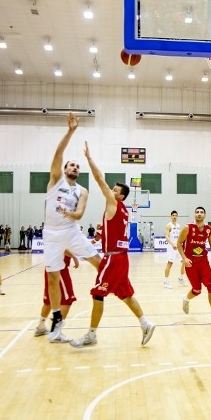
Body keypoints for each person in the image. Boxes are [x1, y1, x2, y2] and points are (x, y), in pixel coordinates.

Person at [70, 142, 156, 348]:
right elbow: (115, 231)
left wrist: (89, 159)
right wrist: (99, 237)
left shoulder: (114, 203)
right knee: (125, 294)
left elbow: (99, 179)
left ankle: (91, 334)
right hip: (121, 258)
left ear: (121, 196)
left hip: (113, 258)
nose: (110, 190)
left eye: (114, 190)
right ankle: (146, 323)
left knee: (98, 293)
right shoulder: (123, 211)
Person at [43, 112, 102, 343]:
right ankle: (56, 318)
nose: (75, 167)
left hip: (71, 231)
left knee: (98, 261)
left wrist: (71, 213)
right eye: (72, 164)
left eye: (78, 166)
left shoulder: (82, 190)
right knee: (52, 278)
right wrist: (70, 131)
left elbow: (80, 213)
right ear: (65, 168)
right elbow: (58, 154)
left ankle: (107, 287)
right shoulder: (55, 180)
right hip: (51, 234)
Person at [177, 206, 211, 325]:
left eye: (201, 212)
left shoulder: (209, 229)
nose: (199, 214)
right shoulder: (187, 228)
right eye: (197, 212)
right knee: (197, 290)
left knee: (210, 286)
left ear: (205, 215)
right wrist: (184, 258)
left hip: (204, 262)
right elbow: (179, 243)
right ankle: (186, 299)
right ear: (194, 215)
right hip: (191, 264)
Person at [35, 251, 79, 339]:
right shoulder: (62, 237)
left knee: (50, 301)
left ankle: (41, 327)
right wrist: (74, 257)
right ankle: (56, 332)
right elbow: (63, 248)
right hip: (59, 269)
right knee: (67, 301)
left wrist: (93, 242)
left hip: (51, 267)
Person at [163, 210, 185, 289]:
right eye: (173, 215)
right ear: (171, 216)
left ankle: (181, 278)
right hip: (171, 247)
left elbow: (179, 236)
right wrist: (172, 244)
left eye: (176, 215)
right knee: (170, 264)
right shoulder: (169, 225)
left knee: (184, 261)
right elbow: (166, 236)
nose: (175, 217)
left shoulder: (178, 225)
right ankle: (166, 282)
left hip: (178, 247)